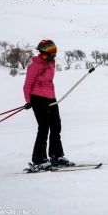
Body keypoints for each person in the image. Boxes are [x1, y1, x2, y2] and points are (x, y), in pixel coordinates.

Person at [23, 40, 73, 170]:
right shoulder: (34, 65)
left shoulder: (51, 63)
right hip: (37, 98)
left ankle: (56, 156)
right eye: (53, 52)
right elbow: (27, 85)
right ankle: (38, 160)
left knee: (56, 126)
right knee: (44, 128)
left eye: (55, 52)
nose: (55, 55)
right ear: (45, 52)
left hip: (51, 97)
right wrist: (29, 101)